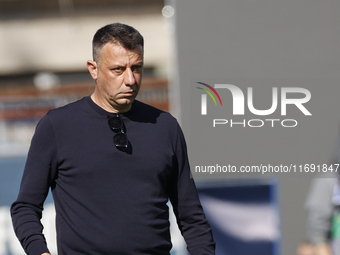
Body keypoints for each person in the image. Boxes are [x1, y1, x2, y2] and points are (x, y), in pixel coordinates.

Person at [10, 23, 215, 255]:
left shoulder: (165, 126)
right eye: (118, 69)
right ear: (93, 69)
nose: (130, 79)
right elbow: (25, 207)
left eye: (137, 68)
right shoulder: (57, 126)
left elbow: (192, 217)